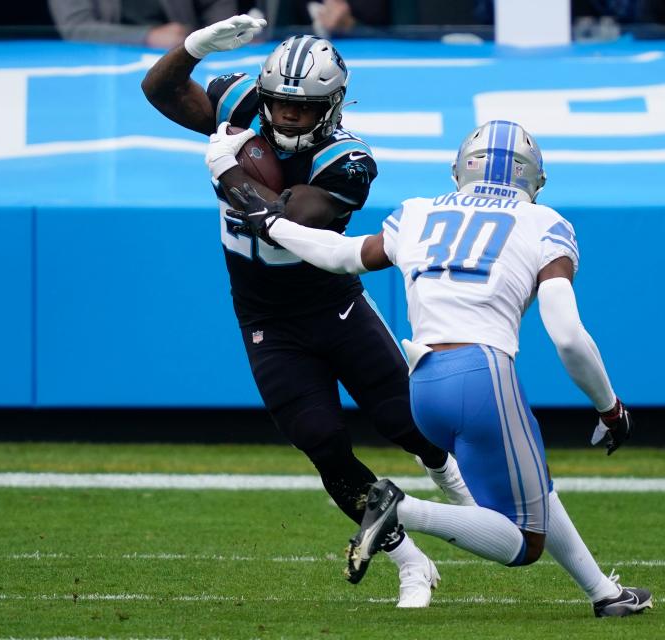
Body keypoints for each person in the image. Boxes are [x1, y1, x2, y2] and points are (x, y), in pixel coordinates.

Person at [221, 120, 653, 617]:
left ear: (459, 171)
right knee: (524, 542)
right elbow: (569, 336)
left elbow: (341, 255)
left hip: (423, 381)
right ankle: (399, 509)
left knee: (533, 484)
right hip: (484, 375)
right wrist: (610, 407)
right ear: (535, 178)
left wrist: (271, 224)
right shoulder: (546, 224)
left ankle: (605, 594)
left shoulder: (418, 212)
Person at [141, 15, 473, 608]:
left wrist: (231, 178)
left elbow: (287, 221)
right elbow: (159, 91)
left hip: (332, 303)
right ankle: (409, 561)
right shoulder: (244, 101)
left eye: (304, 107)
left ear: (334, 104)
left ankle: (460, 496)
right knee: (319, 440)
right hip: (265, 316)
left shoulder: (350, 161)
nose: (288, 116)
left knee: (406, 423)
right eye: (280, 104)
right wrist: (192, 49)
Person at [50, 0, 237, 47]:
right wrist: (148, 36)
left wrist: (224, 32)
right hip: (107, 59)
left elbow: (215, 3)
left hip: (189, 53)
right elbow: (75, 27)